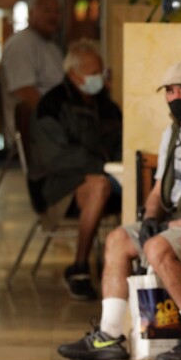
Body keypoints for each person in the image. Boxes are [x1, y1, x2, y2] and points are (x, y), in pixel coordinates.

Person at [57, 61, 181, 360]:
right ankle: (109, 335)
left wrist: (179, 223)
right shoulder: (173, 133)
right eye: (169, 91)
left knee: (157, 246)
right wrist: (150, 219)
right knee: (118, 239)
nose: (175, 96)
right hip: (176, 225)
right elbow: (157, 192)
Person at [28, 39, 123, 301]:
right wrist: (101, 167)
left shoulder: (105, 104)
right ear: (73, 74)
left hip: (106, 175)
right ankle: (79, 267)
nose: (98, 79)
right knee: (99, 186)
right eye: (92, 73)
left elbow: (120, 139)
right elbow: (55, 157)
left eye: (100, 72)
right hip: (57, 186)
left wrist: (119, 163)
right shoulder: (52, 105)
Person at [1, 0, 65, 128]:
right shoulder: (21, 45)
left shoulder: (51, 46)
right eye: (47, 11)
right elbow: (25, 91)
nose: (53, 16)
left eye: (57, 11)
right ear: (31, 13)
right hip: (38, 125)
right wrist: (57, 119)